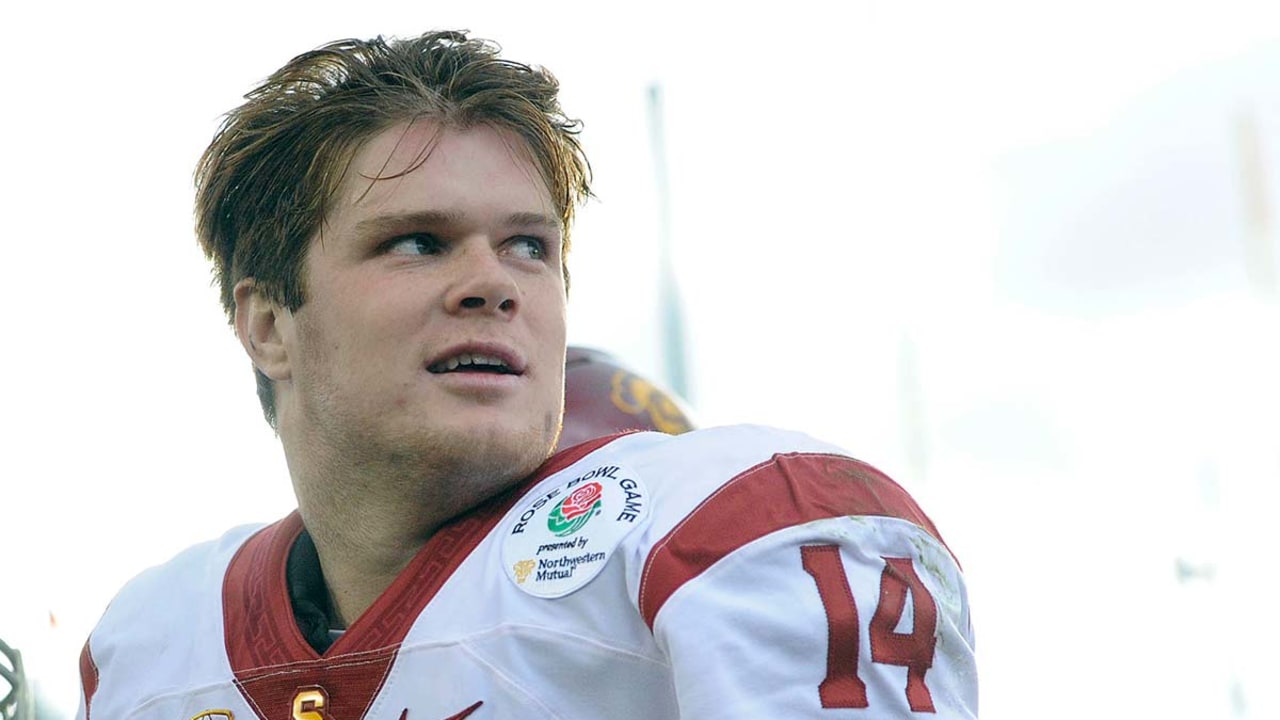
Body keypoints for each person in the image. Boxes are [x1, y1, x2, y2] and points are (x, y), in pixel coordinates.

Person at [76, 30, 978, 719]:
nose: (493, 283)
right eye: (418, 242)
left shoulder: (728, 531)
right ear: (269, 325)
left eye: (528, 247)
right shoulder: (146, 649)